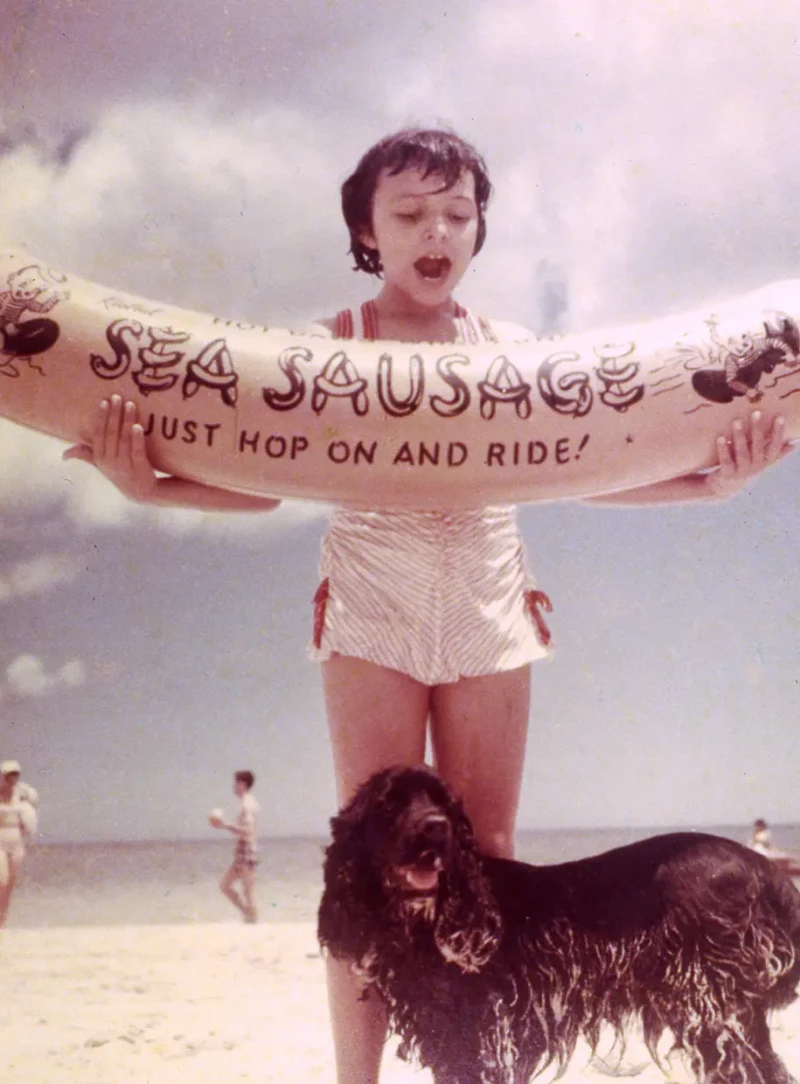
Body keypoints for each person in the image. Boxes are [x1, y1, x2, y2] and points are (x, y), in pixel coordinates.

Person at [62, 127, 794, 1082]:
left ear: (478, 226)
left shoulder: (516, 355)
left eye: (456, 212)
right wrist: (151, 484)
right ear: (367, 229)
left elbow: (595, 472)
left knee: (485, 859)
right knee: (369, 868)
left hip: (488, 606)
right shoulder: (326, 349)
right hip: (373, 609)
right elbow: (256, 479)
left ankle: (476, 1069)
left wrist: (707, 486)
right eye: (408, 214)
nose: (435, 229)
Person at [210, 769, 260, 923]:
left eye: (237, 783)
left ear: (243, 784)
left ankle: (251, 920)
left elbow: (247, 831)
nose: (234, 786)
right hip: (244, 852)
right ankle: (248, 915)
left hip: (247, 853)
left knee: (246, 891)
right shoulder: (248, 803)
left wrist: (224, 825)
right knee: (227, 886)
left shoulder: (247, 804)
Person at [0, 759, 38, 927]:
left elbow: (33, 809)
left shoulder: (24, 793)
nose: (12, 778)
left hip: (16, 842)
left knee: (10, 883)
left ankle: (2, 918)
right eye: (8, 775)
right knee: (1, 880)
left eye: (15, 774)